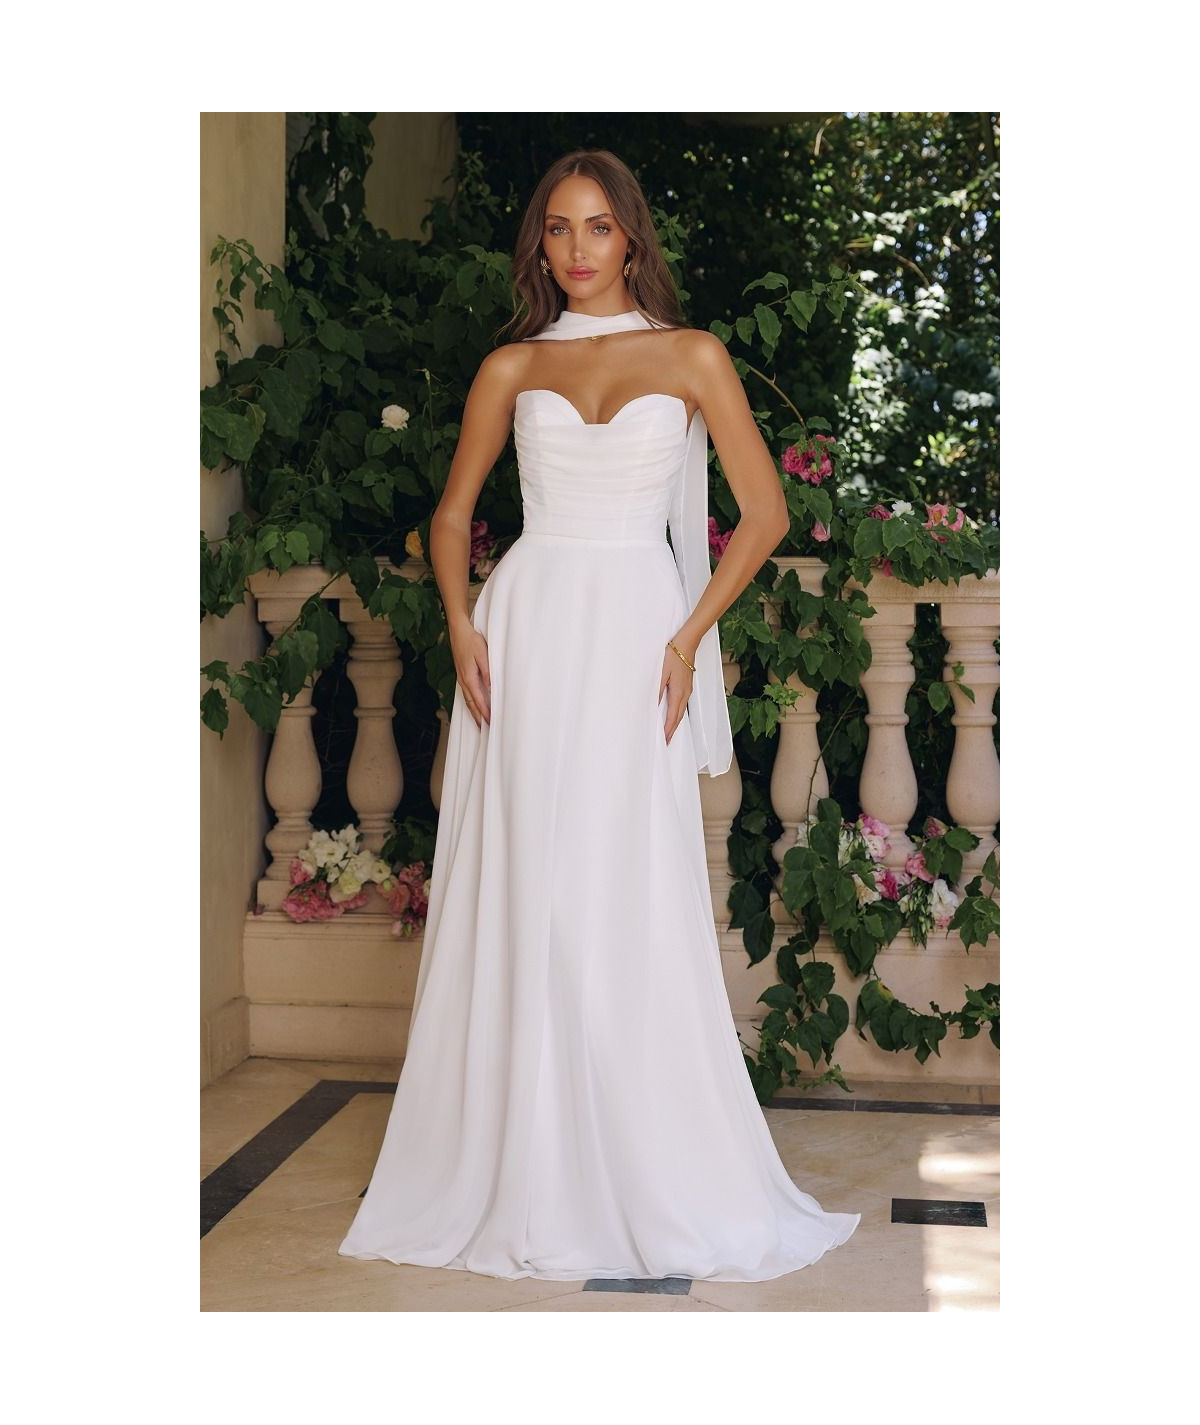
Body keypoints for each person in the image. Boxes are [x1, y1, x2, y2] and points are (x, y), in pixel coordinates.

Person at [338, 148, 861, 1282]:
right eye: (558, 229)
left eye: (599, 227)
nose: (577, 249)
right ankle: (528, 1158)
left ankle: (638, 1151)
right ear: (541, 244)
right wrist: (463, 623)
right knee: (530, 876)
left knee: (624, 875)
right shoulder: (512, 364)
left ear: (632, 239)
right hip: (527, 631)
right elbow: (450, 517)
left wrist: (686, 636)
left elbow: (765, 513)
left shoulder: (692, 354)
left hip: (635, 631)